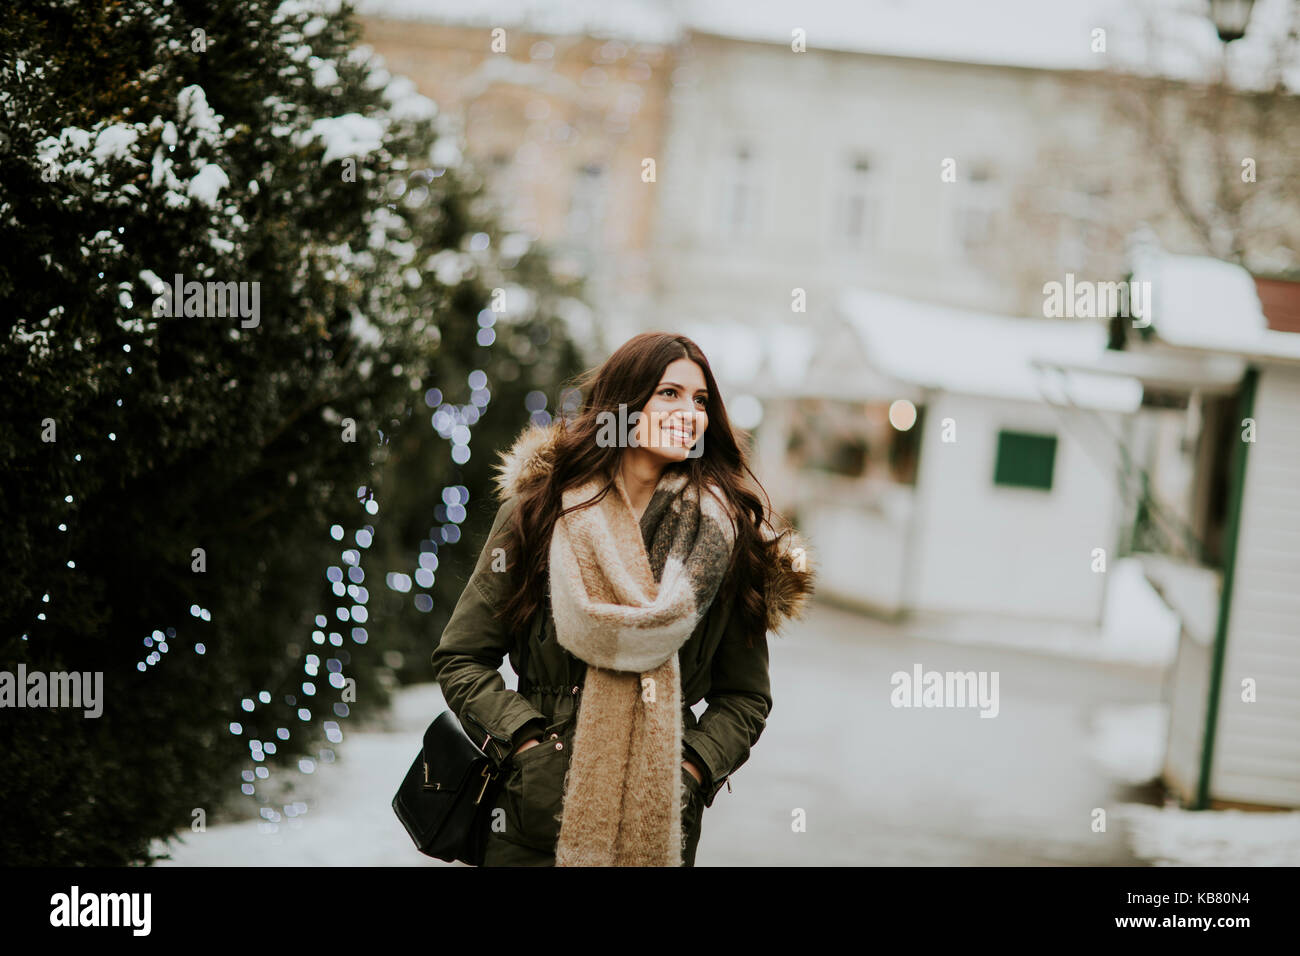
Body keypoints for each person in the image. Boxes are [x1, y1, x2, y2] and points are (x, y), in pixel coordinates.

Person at [430, 332, 815, 866]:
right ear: (623, 406)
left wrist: (690, 770)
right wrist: (526, 746)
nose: (691, 412)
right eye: (670, 394)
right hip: (531, 825)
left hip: (656, 826)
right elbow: (462, 657)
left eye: (701, 401)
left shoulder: (722, 540)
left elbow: (745, 697)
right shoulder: (540, 515)